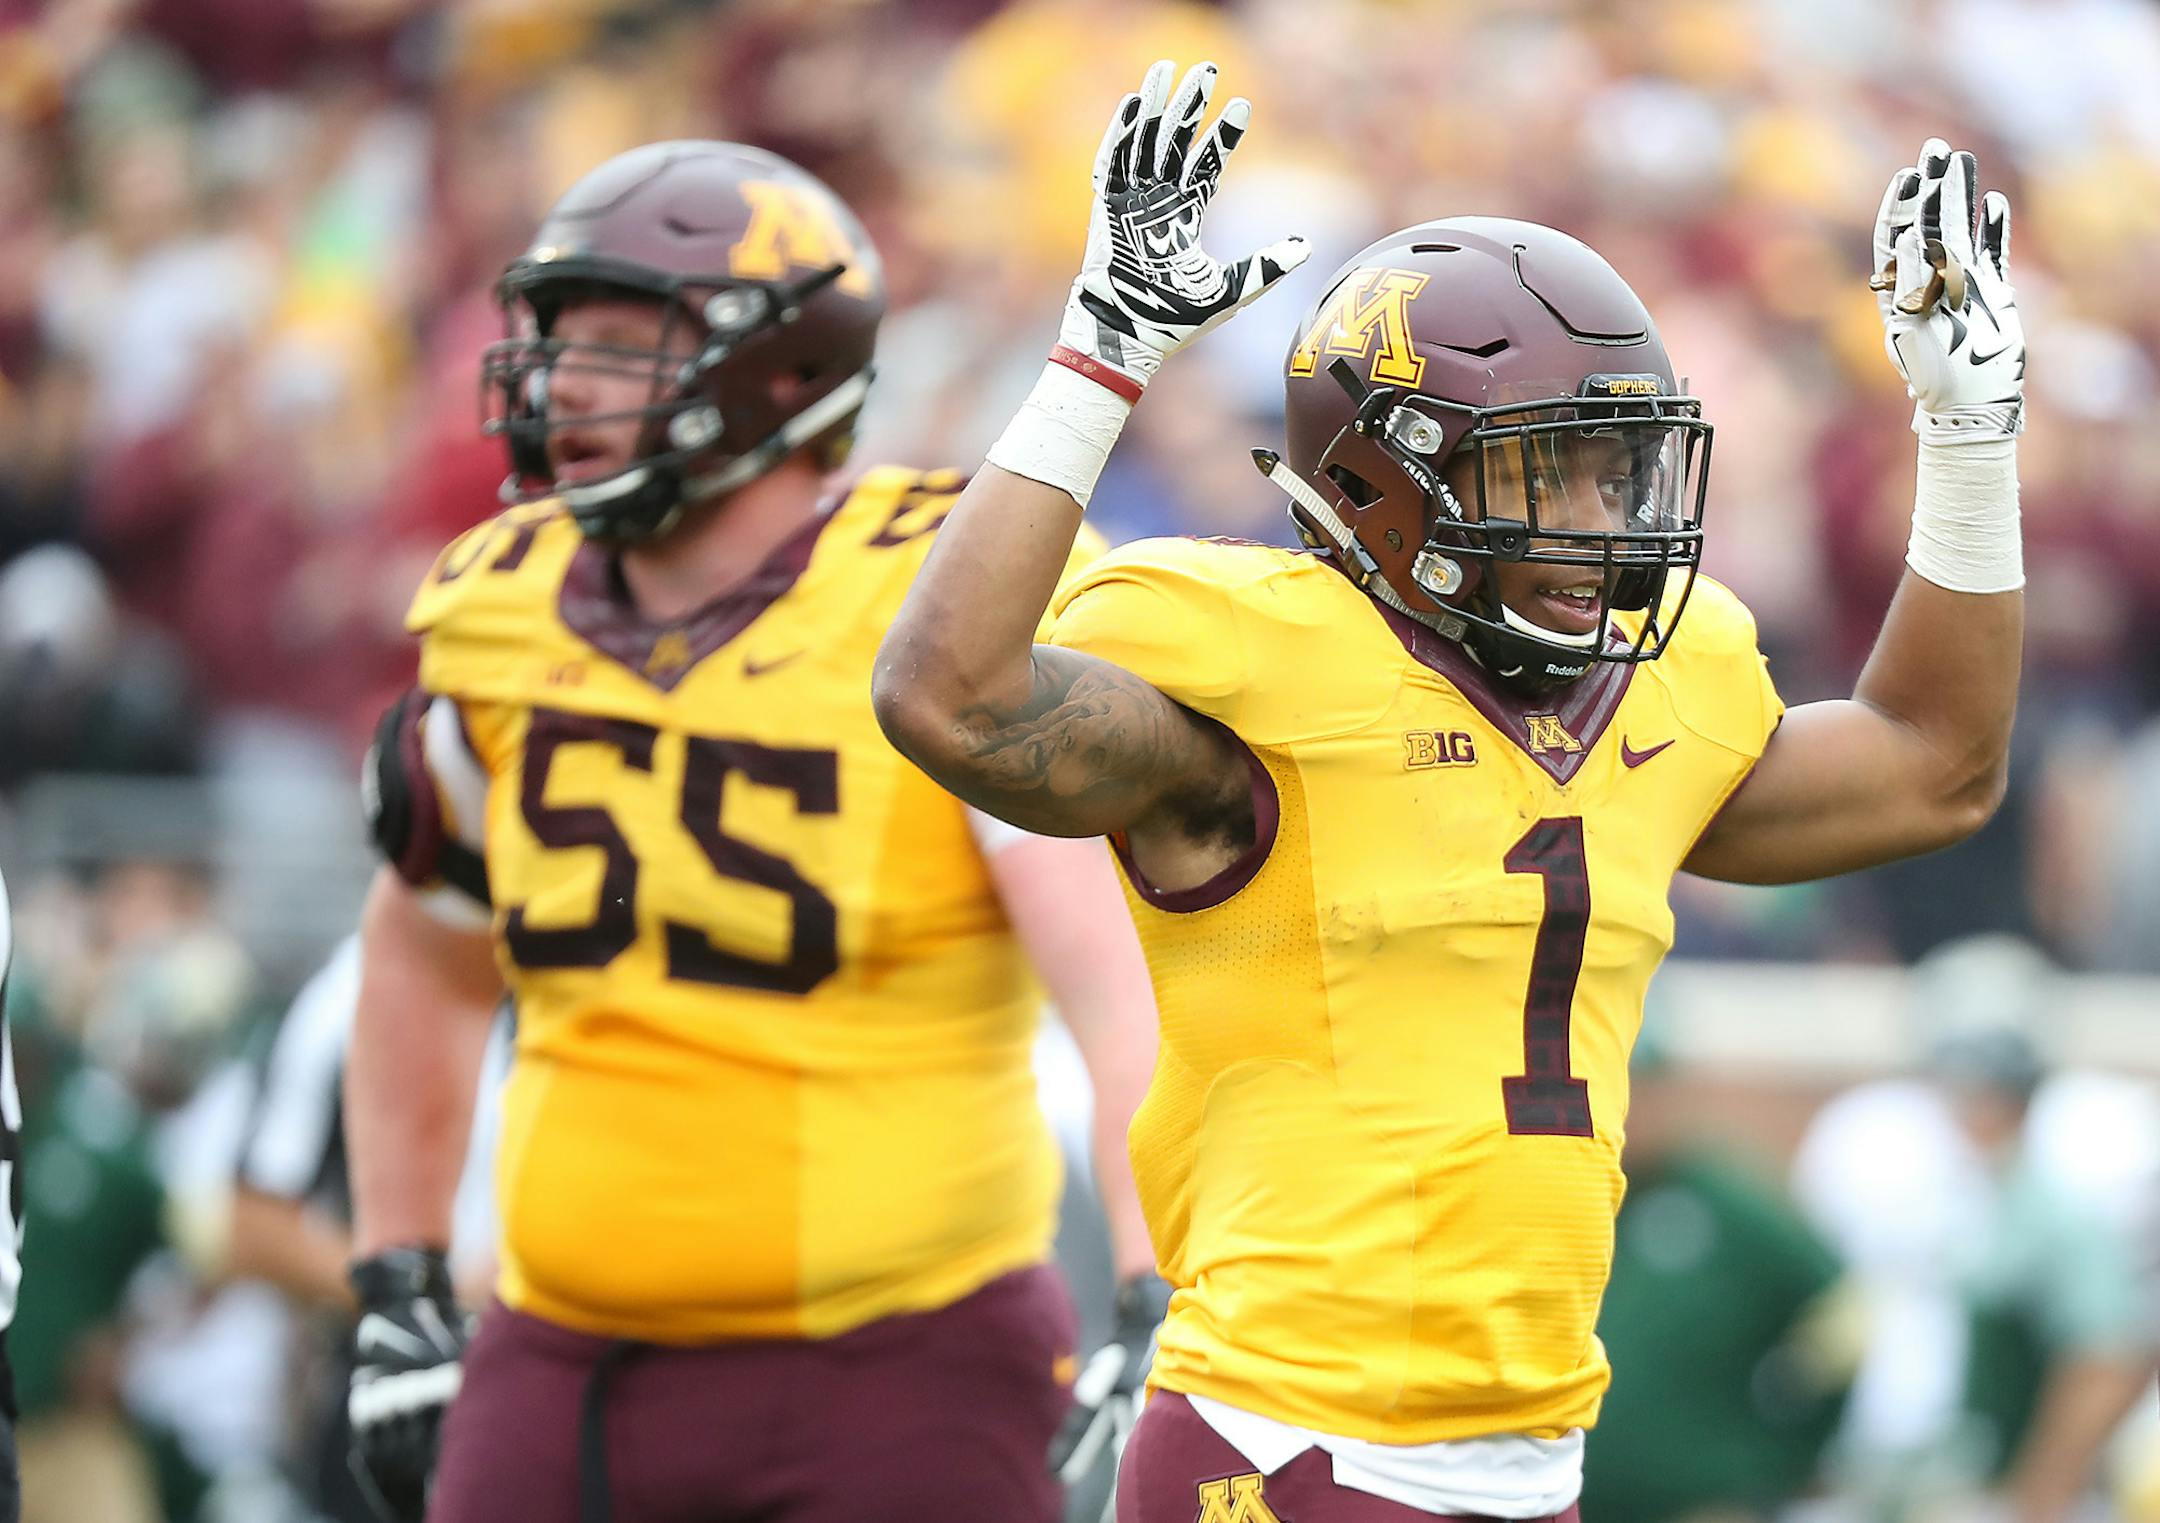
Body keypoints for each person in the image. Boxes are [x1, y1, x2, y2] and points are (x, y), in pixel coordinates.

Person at [874, 59, 2027, 1523]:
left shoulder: (1663, 692)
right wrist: (1100, 357)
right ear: (1382, 480)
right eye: (1554, 477)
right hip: (1281, 1439)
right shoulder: (1259, 667)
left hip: (1536, 1451)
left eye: (1626, 473)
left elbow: (1938, 766)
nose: (1610, 523)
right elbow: (948, 693)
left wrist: (1970, 440)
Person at [341, 140, 1161, 1523]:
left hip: (903, 1363)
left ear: (779, 368)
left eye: (617, 344)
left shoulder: (932, 612)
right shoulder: (499, 610)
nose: (559, 383)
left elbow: (1122, 986)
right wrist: (399, 1276)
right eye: (555, 340)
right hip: (565, 1354)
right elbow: (423, 952)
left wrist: (1158, 1282)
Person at [1793, 936, 2160, 1523]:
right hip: (1876, 1473)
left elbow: (2106, 1355)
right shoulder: (1870, 1143)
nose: (1981, 1101)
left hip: (1991, 1484)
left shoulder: (2074, 1170)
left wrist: (2035, 1498)